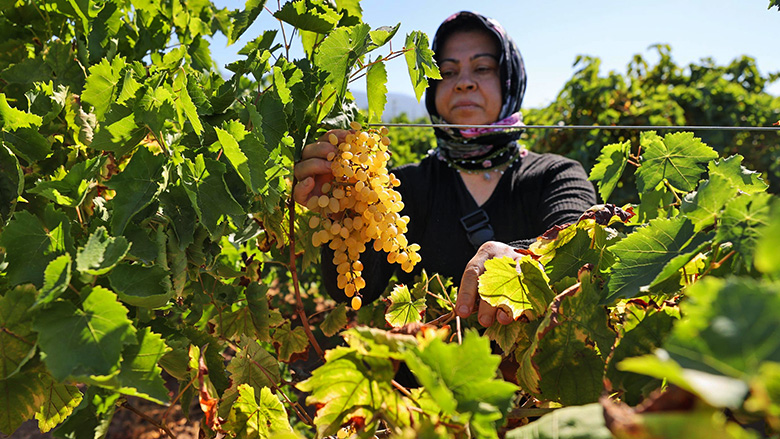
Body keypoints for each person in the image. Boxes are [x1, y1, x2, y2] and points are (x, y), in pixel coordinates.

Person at [293, 11, 597, 327]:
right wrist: (344, 206)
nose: (464, 83)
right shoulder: (399, 186)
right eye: (448, 72)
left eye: (482, 68)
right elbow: (355, 291)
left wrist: (517, 258)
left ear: (509, 80)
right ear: (432, 90)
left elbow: (580, 252)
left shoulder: (557, 176)